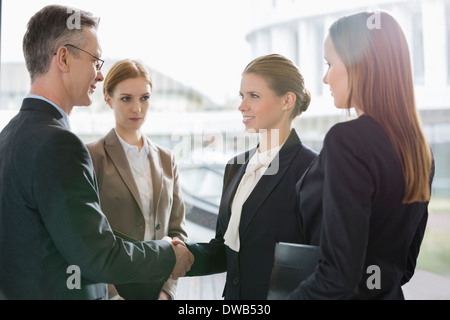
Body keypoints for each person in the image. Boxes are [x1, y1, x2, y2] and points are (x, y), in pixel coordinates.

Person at [0, 5, 193, 300]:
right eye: (95, 61)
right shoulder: (59, 145)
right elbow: (98, 255)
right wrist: (167, 254)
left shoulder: (9, 136)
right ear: (63, 58)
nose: (100, 75)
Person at [288, 11, 434, 300]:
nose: (325, 77)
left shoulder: (348, 141)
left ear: (360, 65)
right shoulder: (420, 149)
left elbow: (337, 277)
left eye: (330, 64)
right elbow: (403, 268)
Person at [180, 54, 318, 299]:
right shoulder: (235, 166)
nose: (242, 106)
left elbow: (321, 261)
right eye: (242, 96)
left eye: (254, 96)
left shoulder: (312, 169)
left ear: (287, 100)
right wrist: (182, 257)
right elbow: (227, 248)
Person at [86, 59, 188, 300]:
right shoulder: (91, 156)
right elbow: (89, 238)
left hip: (158, 291)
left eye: (144, 98)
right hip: (114, 292)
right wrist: (113, 295)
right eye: (126, 98)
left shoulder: (167, 159)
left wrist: (166, 292)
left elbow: (177, 233)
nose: (137, 108)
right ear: (108, 99)